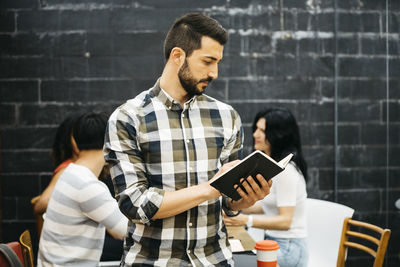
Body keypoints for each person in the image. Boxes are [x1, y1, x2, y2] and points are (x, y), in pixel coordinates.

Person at [104, 12, 272, 266]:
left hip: (215, 260)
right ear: (177, 55)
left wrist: (245, 197)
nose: (215, 72)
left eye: (218, 62)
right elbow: (135, 205)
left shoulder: (227, 117)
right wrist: (210, 189)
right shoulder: (128, 118)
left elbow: (228, 201)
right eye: (207, 61)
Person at [37, 112, 128, 267]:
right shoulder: (88, 185)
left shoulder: (70, 173)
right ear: (109, 143)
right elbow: (127, 231)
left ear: (75, 144)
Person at [224, 107, 309, 267]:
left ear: (278, 135)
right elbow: (266, 206)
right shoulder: (275, 168)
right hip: (275, 243)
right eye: (256, 128)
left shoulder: (287, 171)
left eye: (262, 130)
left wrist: (244, 220)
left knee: (237, 261)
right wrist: (232, 207)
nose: (255, 134)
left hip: (289, 249)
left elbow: (285, 221)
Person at [33, 114, 79, 215]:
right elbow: (41, 205)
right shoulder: (67, 169)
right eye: (78, 136)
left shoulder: (78, 167)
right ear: (68, 141)